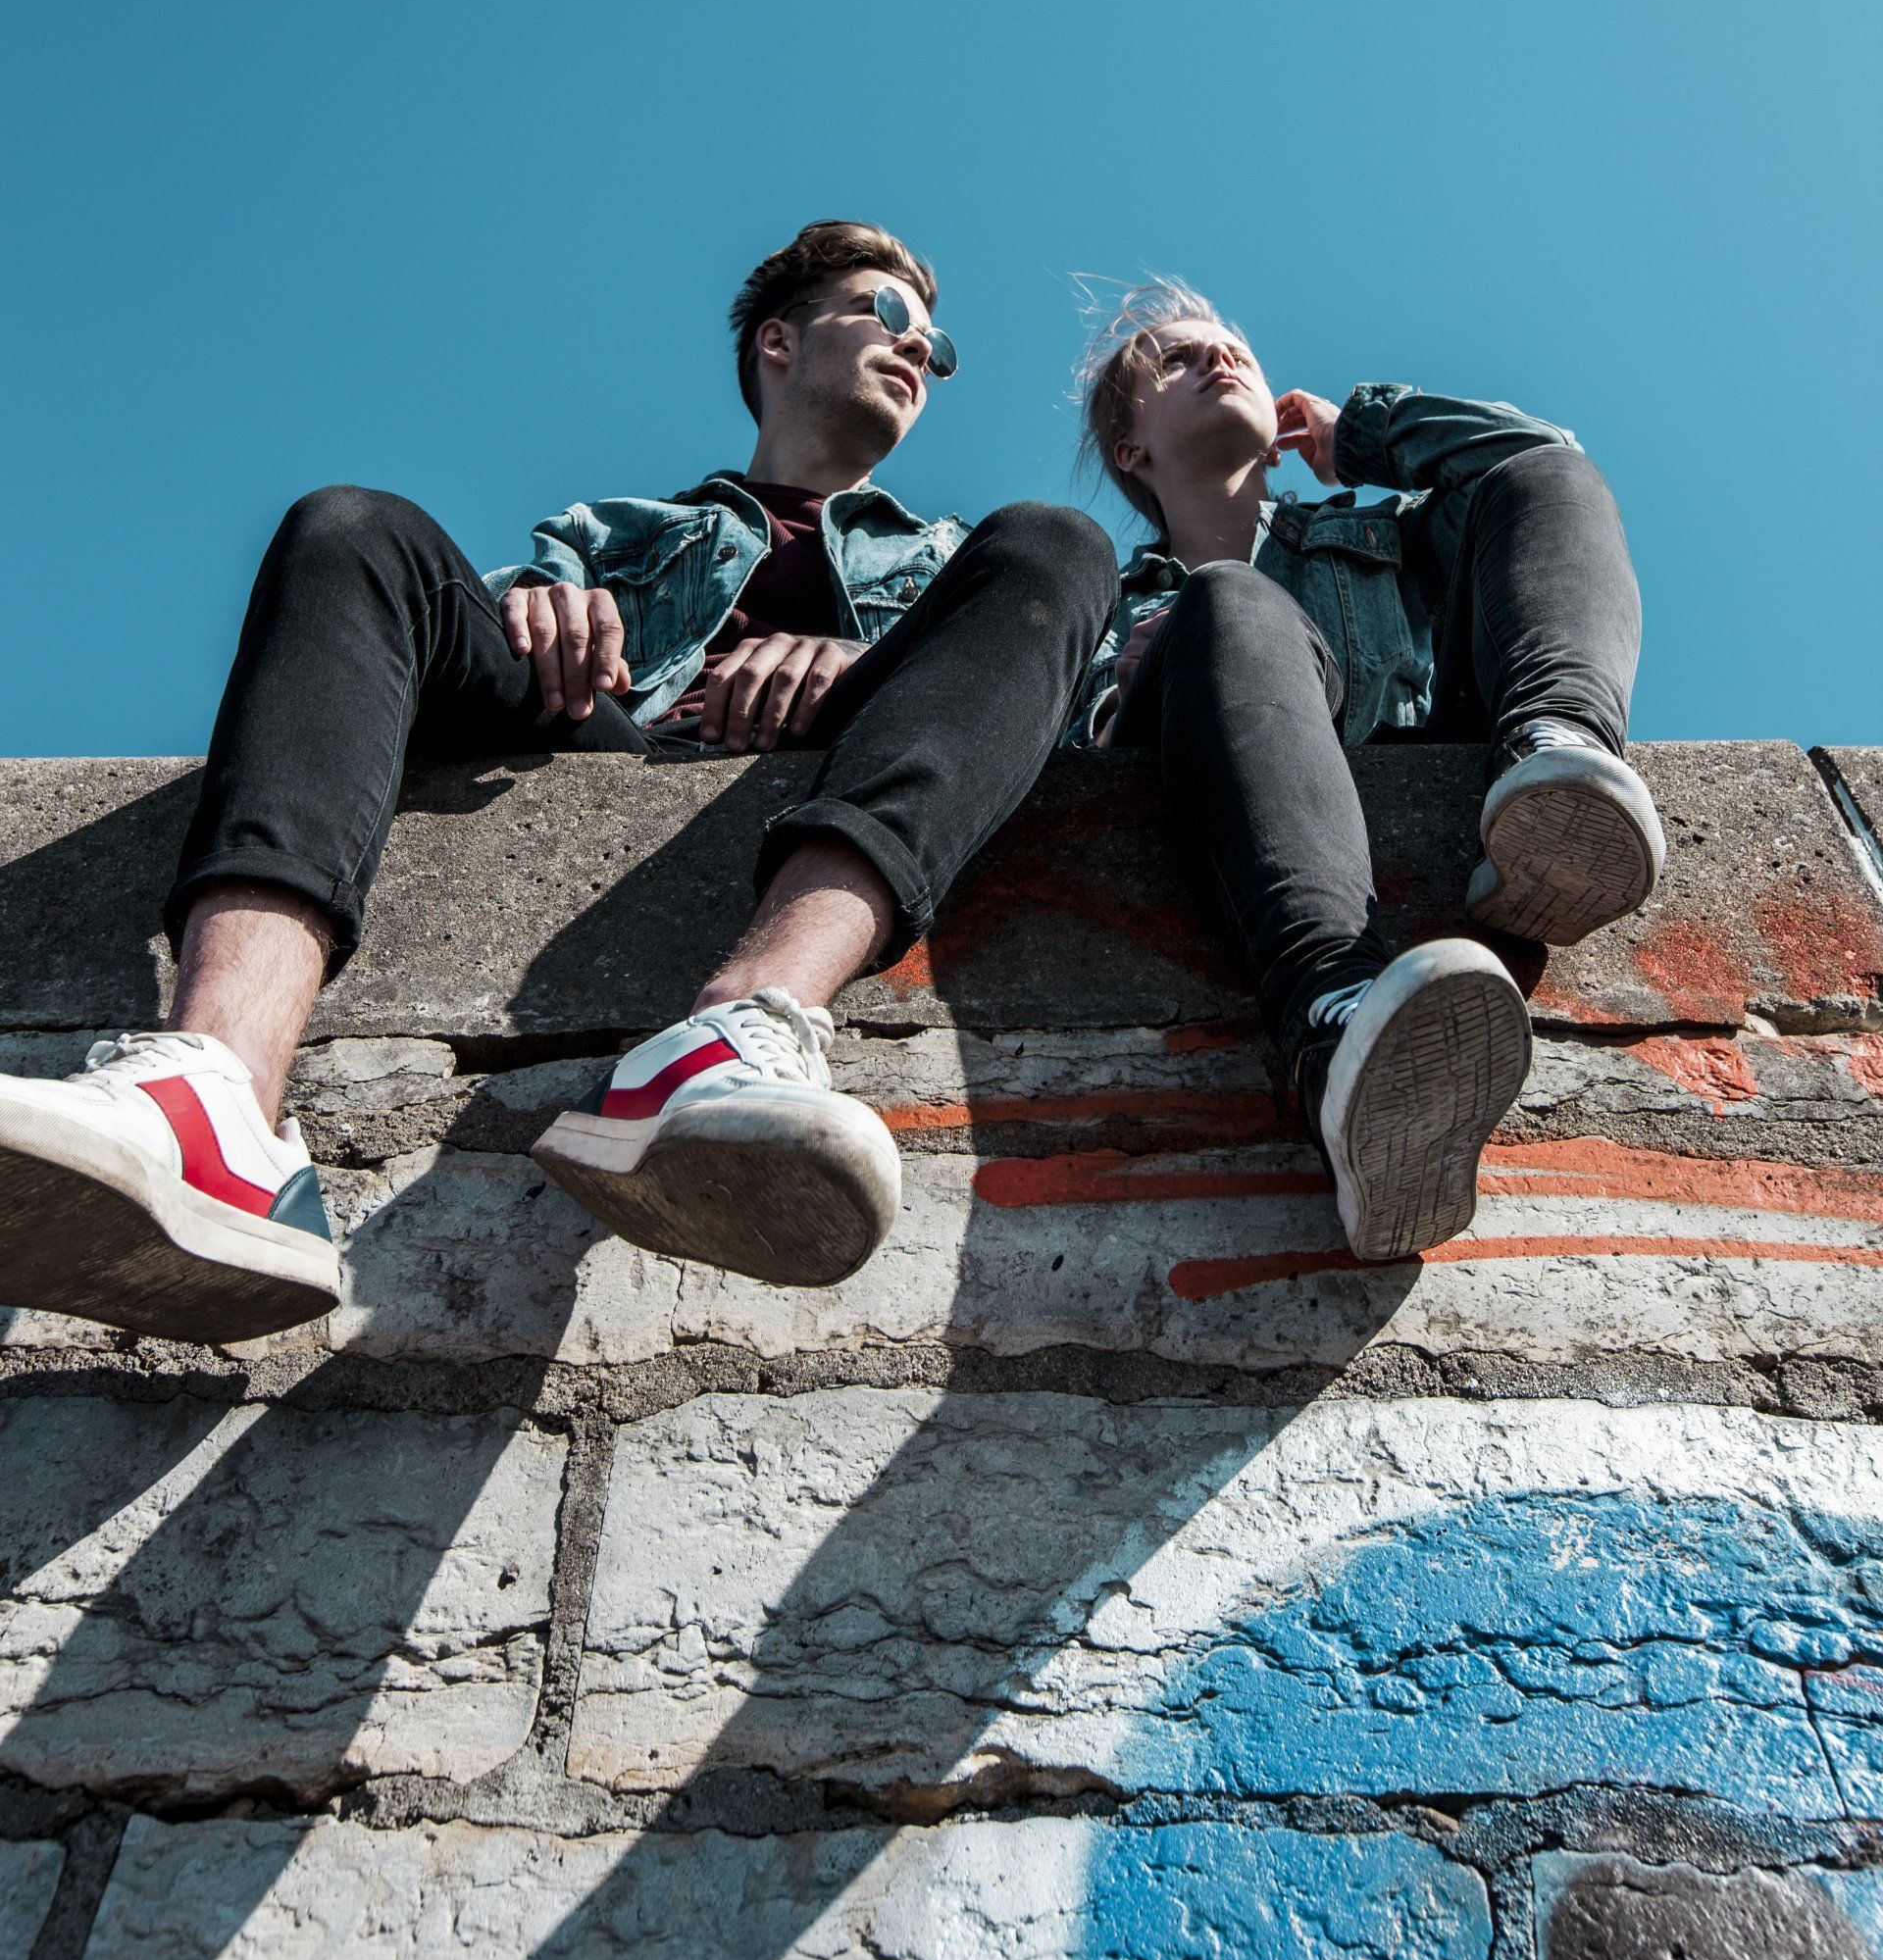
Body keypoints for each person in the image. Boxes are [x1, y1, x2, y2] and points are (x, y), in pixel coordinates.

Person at [0, 222, 1114, 1345]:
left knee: (1060, 544)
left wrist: (868, 667)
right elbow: (436, 644)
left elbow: (1065, 707)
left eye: (940, 346)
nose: (921, 350)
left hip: (823, 795)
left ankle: (741, 1033)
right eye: (889, 315)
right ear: (779, 341)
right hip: (611, 734)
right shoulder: (612, 531)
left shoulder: (952, 559)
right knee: (351, 529)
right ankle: (218, 1104)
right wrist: (540, 604)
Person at [1076, 280, 1663, 1265]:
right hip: (1213, 810)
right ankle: (1341, 1033)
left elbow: (1535, 458)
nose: (1222, 361)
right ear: (1131, 448)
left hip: (1407, 758)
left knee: (1552, 479)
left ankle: (1557, 756)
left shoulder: (1374, 542)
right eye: (1178, 360)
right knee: (1227, 601)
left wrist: (1367, 434)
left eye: (1237, 351)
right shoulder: (1103, 599)